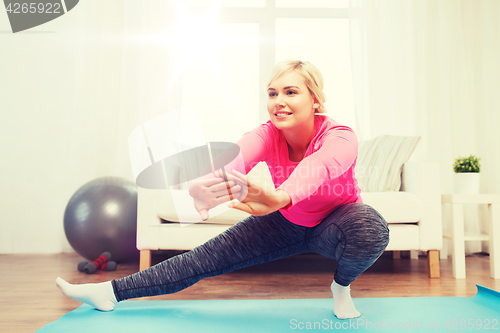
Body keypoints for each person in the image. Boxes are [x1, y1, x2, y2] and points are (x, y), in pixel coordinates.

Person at [56, 60, 389, 320]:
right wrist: (209, 185)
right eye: (272, 93)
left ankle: (340, 287)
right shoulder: (266, 133)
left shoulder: (340, 136)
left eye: (291, 92)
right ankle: (109, 293)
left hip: (336, 222)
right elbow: (235, 157)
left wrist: (278, 197)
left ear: (315, 99)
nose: (279, 102)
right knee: (201, 259)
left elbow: (317, 169)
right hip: (285, 221)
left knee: (370, 228)